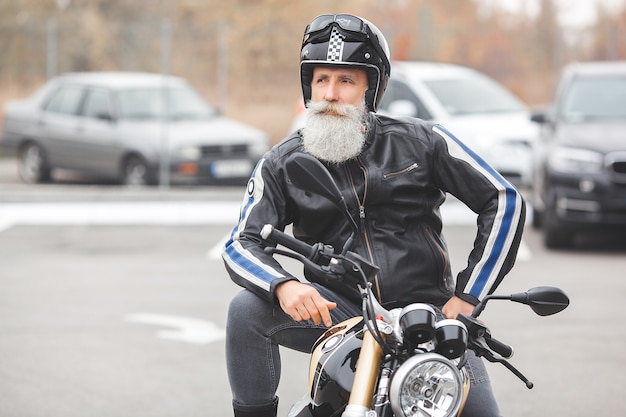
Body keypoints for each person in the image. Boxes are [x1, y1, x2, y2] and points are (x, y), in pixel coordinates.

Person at [222, 13, 525, 417]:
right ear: (308, 87)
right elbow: (241, 243)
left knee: (478, 413)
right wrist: (282, 285)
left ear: (371, 88)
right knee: (245, 311)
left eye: (346, 80)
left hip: (427, 315)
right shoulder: (282, 163)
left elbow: (504, 201)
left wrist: (469, 296)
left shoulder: (422, 142)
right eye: (321, 80)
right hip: (339, 312)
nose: (330, 93)